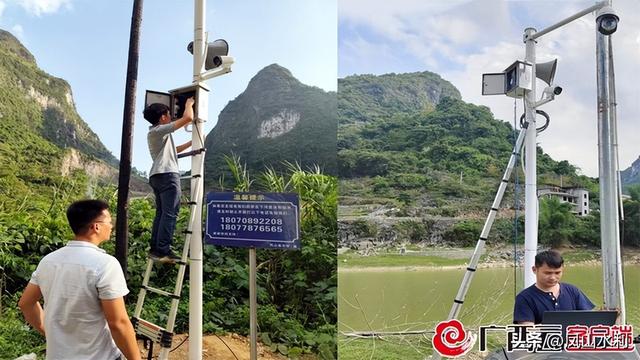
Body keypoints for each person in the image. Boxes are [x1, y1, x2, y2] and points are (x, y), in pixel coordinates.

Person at [18, 199, 141, 360]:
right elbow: (118, 323)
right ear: (96, 226)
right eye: (109, 222)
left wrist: (47, 331)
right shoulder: (105, 264)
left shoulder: (48, 261)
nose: (111, 226)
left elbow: (26, 303)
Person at [143, 98, 194, 263]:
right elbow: (187, 118)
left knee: (161, 214)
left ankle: (155, 249)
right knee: (170, 214)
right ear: (163, 117)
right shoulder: (158, 131)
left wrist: (192, 143)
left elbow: (174, 150)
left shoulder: (156, 134)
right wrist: (189, 105)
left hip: (157, 176)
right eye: (168, 113)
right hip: (167, 175)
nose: (171, 116)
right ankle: (164, 250)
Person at [513, 249, 595, 325]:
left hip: (573, 339)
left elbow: (589, 320)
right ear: (535, 270)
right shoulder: (524, 298)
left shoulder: (572, 291)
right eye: (547, 273)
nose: (553, 277)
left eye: (557, 273)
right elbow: (527, 330)